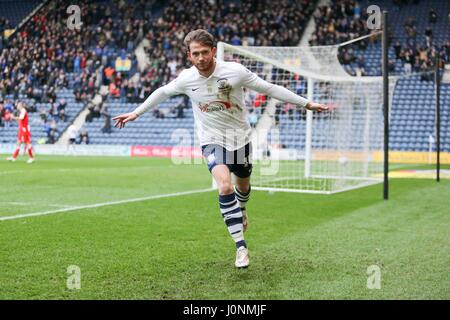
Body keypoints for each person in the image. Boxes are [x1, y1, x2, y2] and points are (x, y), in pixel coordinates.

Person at [112, 29, 328, 268]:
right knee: (224, 186)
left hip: (241, 138)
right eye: (196, 54)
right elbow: (162, 92)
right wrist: (136, 112)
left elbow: (269, 88)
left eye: (205, 52)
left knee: (243, 184)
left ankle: (242, 208)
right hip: (212, 140)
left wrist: (306, 103)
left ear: (213, 51)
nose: (201, 57)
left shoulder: (234, 72)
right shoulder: (186, 78)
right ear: (189, 56)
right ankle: (241, 247)